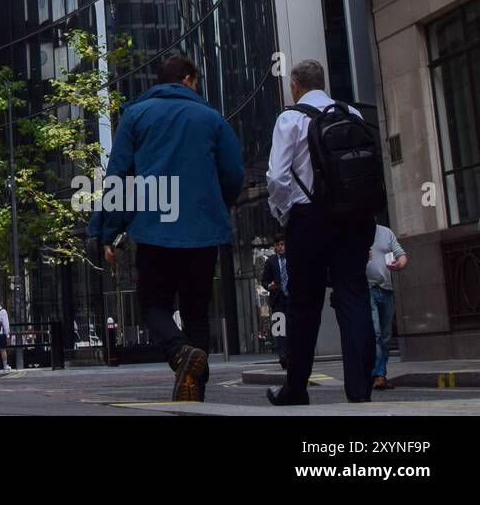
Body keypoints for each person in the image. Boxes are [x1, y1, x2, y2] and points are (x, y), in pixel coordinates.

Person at [98, 54, 244, 403]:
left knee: (154, 304)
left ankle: (179, 353)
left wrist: (110, 231)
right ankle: (194, 393)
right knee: (196, 311)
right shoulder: (212, 118)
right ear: (189, 80)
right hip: (202, 231)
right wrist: (214, 204)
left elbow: (119, 175)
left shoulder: (135, 115)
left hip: (154, 228)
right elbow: (234, 173)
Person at [265, 59, 376, 405]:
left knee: (304, 303)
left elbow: (277, 177)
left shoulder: (290, 118)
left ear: (295, 86)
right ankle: (360, 389)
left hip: (309, 218)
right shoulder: (352, 115)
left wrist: (284, 212)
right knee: (354, 296)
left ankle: (296, 388)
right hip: (355, 217)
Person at [367, 223, 407, 390]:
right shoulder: (354, 230)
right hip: (367, 289)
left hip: (387, 290)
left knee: (385, 336)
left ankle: (380, 373)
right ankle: (376, 374)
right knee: (375, 333)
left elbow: (401, 255)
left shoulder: (385, 232)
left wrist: (399, 264)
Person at [261, 233, 290, 368]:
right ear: (274, 247)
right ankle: (283, 355)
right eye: (278, 245)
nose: (280, 247)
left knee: (293, 327)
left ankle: (293, 354)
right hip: (278, 300)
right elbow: (264, 281)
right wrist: (270, 286)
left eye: (283, 244)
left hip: (292, 298)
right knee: (280, 329)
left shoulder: (293, 258)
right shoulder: (270, 261)